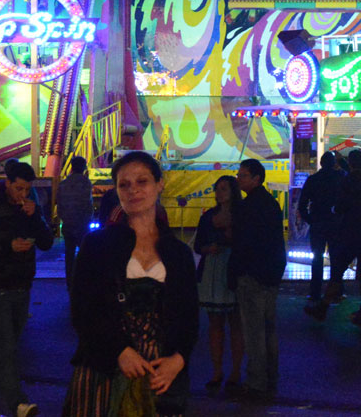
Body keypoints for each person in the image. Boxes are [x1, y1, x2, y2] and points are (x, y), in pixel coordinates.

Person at [64, 151, 197, 416]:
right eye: (124, 184)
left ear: (159, 184)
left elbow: (189, 315)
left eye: (142, 181)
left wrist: (178, 359)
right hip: (103, 368)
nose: (133, 190)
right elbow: (83, 309)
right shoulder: (97, 245)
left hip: (159, 373)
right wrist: (119, 351)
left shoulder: (177, 252)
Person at [0, 160, 53, 417]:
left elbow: (48, 243)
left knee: (1, 349)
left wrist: (36, 217)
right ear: (7, 183)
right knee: (5, 349)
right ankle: (18, 402)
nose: (23, 194)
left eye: (27, 190)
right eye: (18, 188)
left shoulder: (29, 208)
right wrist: (8, 246)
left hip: (22, 286)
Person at [305, 149, 361, 326]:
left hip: (349, 231)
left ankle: (323, 306)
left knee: (338, 269)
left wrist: (332, 211)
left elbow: (339, 206)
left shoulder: (345, 181)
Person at [229, 159, 285, 401]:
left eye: (243, 175)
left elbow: (243, 242)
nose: (239, 179)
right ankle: (270, 377)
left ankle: (256, 382)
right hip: (270, 273)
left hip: (252, 274)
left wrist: (237, 271)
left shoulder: (247, 206)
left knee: (253, 332)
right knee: (269, 329)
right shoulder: (270, 204)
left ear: (256, 178)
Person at [195, 175, 243, 394]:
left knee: (235, 323)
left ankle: (234, 370)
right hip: (213, 269)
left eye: (224, 188)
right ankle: (217, 370)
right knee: (215, 324)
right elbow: (198, 245)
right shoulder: (208, 217)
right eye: (217, 188)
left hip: (232, 268)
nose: (220, 192)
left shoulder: (241, 216)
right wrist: (208, 249)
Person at [297, 150, 346, 304]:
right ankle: (336, 291)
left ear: (321, 163)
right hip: (335, 222)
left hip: (318, 221)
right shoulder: (340, 177)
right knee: (336, 259)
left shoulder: (313, 179)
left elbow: (302, 204)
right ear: (334, 163)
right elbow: (350, 174)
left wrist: (310, 219)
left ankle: (315, 292)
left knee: (317, 258)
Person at [57, 155, 94, 289]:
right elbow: (88, 205)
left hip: (67, 224)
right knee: (85, 254)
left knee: (69, 255)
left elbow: (59, 204)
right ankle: (83, 281)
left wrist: (64, 219)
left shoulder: (63, 184)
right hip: (82, 225)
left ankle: (69, 283)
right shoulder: (86, 183)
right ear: (83, 167)